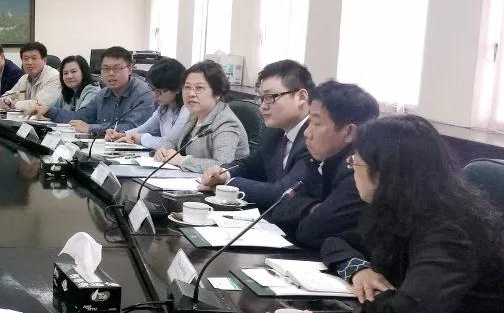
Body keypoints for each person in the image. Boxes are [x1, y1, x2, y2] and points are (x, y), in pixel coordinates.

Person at [321, 116, 504, 313]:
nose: (353, 171)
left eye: (355, 163)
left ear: (383, 172)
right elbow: (335, 241)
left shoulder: (449, 231)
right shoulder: (403, 208)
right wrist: (358, 271)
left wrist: (368, 296)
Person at [269, 81, 379, 248]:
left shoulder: (359, 171)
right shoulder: (320, 159)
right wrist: (313, 207)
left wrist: (308, 212)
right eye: (309, 123)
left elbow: (310, 232)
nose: (307, 133)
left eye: (317, 123)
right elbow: (279, 207)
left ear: (349, 132)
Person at [199, 60, 314, 204]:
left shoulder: (314, 139)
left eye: (270, 97)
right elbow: (250, 166)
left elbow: (283, 193)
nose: (263, 107)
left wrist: (228, 185)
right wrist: (223, 174)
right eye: (261, 98)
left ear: (301, 97)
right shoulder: (275, 132)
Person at [30, 46, 155, 136]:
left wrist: (90, 128)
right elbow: (82, 116)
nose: (111, 73)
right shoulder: (103, 93)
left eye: (116, 68)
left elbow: (132, 127)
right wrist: (49, 110)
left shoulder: (143, 94)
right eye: (106, 69)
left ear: (129, 70)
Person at [153, 60, 249, 172]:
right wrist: (163, 150)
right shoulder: (194, 113)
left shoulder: (227, 122)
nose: (191, 93)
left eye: (199, 88)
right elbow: (171, 141)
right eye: (187, 87)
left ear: (217, 93)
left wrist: (182, 161)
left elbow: (223, 165)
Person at [107, 58, 189, 149]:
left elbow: (170, 144)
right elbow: (145, 129)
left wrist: (141, 138)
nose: (154, 95)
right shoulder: (164, 108)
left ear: (177, 89)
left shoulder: (187, 110)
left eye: (159, 91)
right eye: (152, 88)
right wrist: (121, 135)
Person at [0, 41, 61, 111]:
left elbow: (40, 105)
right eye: (26, 59)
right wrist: (4, 101)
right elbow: (8, 95)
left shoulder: (54, 77)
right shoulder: (24, 78)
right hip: (25, 116)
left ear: (44, 60)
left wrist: (15, 104)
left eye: (34, 58)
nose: (29, 63)